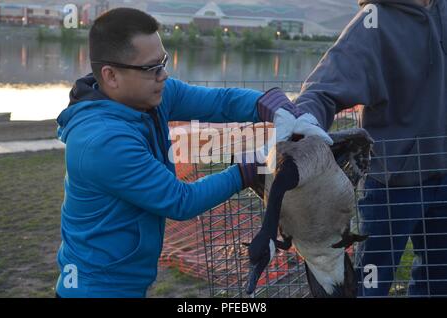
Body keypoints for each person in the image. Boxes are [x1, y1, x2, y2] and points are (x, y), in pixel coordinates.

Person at [55, 8, 331, 298]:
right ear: (111, 76)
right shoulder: (102, 142)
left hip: (126, 283)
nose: (164, 74)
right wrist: (252, 166)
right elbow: (180, 201)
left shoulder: (151, 97)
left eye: (162, 62)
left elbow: (220, 103)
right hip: (95, 290)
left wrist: (272, 105)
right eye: (151, 69)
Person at [292, 0, 447, 296]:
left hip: (444, 175)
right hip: (392, 183)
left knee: (439, 282)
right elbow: (323, 88)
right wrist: (301, 128)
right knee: (371, 284)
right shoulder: (375, 20)